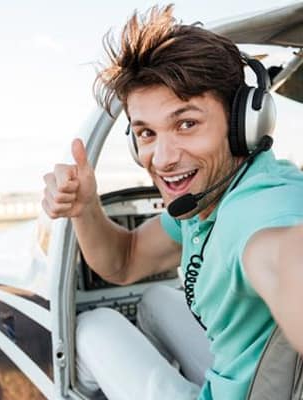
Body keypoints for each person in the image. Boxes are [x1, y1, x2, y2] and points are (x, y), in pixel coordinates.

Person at [42, 5, 303, 400]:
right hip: (243, 377)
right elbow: (125, 260)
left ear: (243, 125)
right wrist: (86, 206)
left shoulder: (262, 214)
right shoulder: (211, 199)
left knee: (92, 328)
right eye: (147, 133)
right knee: (153, 299)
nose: (162, 159)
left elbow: (283, 258)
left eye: (186, 124)